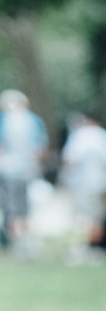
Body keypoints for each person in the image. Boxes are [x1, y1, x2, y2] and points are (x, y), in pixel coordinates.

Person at [60, 112, 106, 248]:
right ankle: (97, 246)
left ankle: (86, 246)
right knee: (97, 218)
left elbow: (69, 161)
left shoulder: (79, 136)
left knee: (83, 218)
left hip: (82, 184)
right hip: (102, 183)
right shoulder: (105, 137)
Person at [0, 89, 48, 251]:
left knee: (11, 206)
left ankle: (14, 242)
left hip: (8, 169)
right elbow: (40, 149)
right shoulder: (34, 120)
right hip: (28, 170)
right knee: (26, 207)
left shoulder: (4, 120)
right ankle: (26, 242)